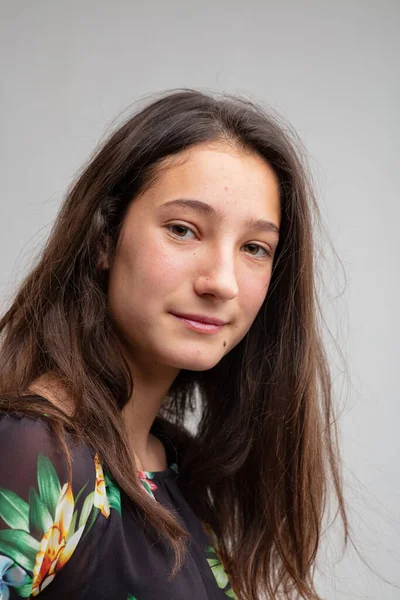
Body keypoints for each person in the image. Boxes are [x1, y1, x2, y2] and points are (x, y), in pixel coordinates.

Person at [0, 89, 348, 600]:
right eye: (183, 230)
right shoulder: (34, 452)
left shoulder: (177, 469)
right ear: (104, 239)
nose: (222, 281)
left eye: (254, 248)